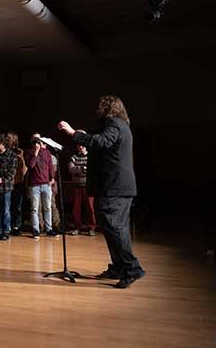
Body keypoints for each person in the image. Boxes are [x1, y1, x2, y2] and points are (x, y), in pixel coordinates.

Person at [58, 95, 145, 289]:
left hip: (115, 187)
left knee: (115, 229)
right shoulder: (119, 124)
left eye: (100, 105)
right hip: (115, 187)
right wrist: (84, 134)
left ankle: (132, 268)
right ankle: (118, 267)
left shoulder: (113, 124)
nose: (97, 108)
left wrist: (74, 133)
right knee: (111, 229)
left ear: (108, 108)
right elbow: (101, 140)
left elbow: (101, 142)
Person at [24, 133, 57, 239]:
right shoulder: (28, 152)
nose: (37, 140)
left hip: (46, 184)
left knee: (47, 207)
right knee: (34, 208)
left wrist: (52, 178)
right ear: (32, 140)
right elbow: (30, 165)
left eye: (39, 138)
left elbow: (50, 166)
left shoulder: (47, 152)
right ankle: (36, 229)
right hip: (34, 185)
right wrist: (36, 152)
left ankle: (49, 229)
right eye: (35, 138)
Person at [67, 145, 96, 236]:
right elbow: (71, 170)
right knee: (76, 208)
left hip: (88, 186)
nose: (80, 147)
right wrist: (83, 168)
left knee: (90, 208)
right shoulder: (74, 157)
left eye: (82, 145)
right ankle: (77, 227)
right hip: (76, 185)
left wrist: (78, 170)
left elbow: (92, 171)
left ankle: (91, 228)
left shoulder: (91, 157)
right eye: (78, 145)